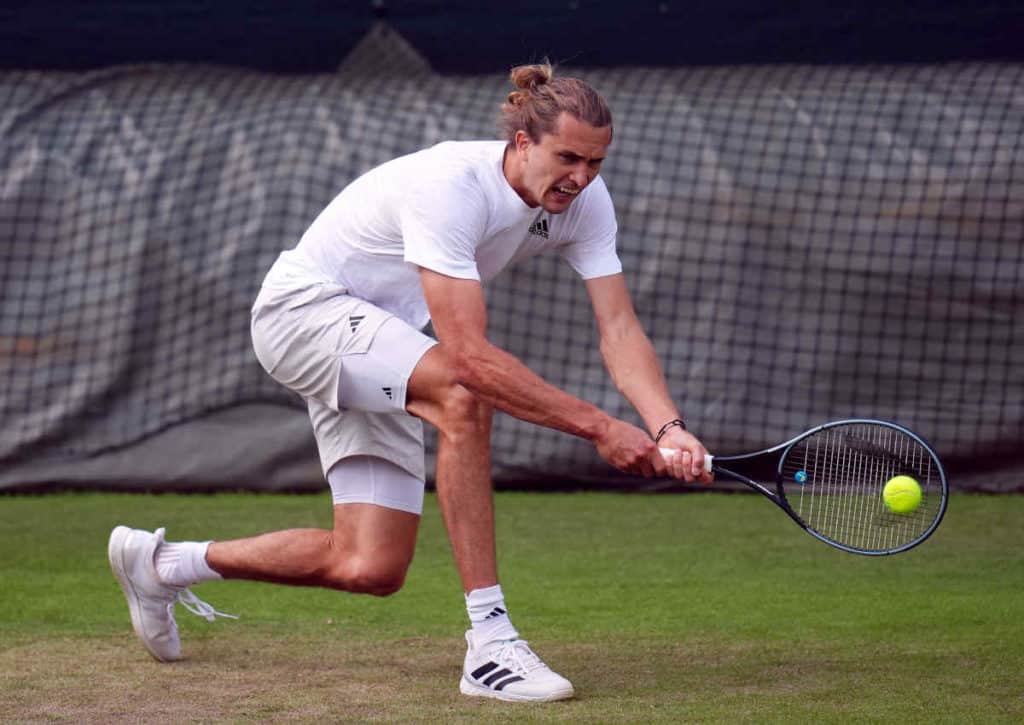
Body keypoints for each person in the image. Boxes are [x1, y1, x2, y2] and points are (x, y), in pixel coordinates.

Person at [108, 62, 713, 704]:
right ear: (523, 142)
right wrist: (600, 427)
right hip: (302, 316)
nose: (582, 177)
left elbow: (619, 329)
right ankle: (491, 644)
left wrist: (667, 427)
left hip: (385, 341)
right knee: (463, 394)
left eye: (595, 162)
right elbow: (469, 359)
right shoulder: (451, 186)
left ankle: (162, 565)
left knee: (369, 566)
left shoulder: (586, 203)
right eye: (568, 158)